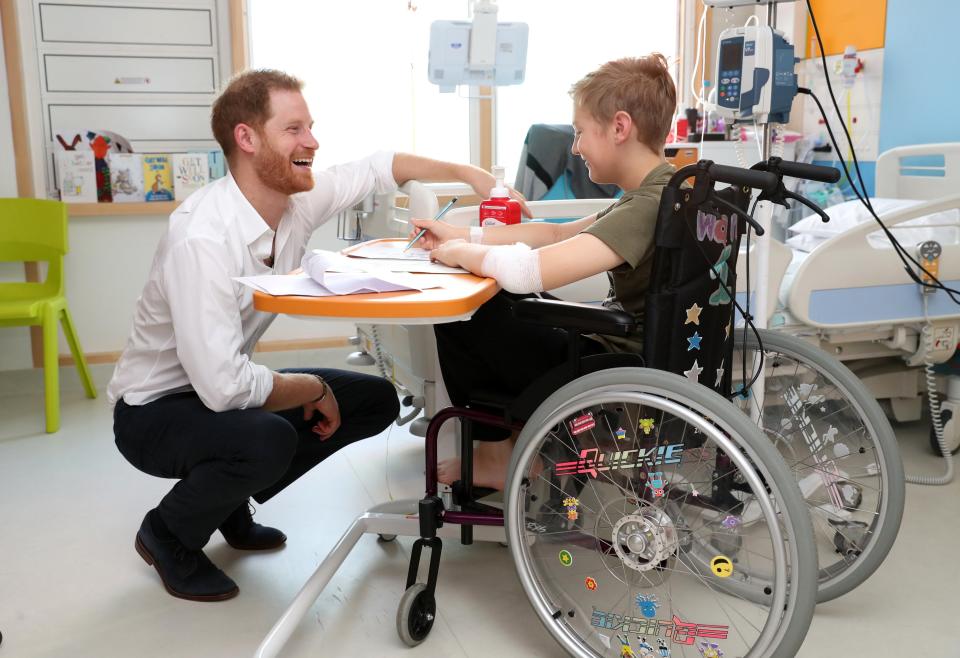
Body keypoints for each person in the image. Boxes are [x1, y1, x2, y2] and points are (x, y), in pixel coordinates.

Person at [108, 69, 526, 602]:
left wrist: (472, 174)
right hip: (155, 411)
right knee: (269, 437)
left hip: (214, 392)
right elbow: (224, 390)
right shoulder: (202, 237)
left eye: (311, 126)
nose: (312, 141)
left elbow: (379, 167)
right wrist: (312, 388)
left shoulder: (293, 201)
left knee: (373, 402)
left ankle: (227, 501)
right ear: (247, 138)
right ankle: (167, 534)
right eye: (294, 129)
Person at [407, 54, 677, 490]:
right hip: (635, 354)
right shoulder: (666, 192)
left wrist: (458, 255)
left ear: (620, 128)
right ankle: (514, 445)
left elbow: (531, 272)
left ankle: (503, 450)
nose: (575, 148)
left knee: (469, 308)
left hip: (613, 367)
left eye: (580, 132)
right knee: (499, 297)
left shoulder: (646, 206)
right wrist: (461, 235)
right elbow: (554, 237)